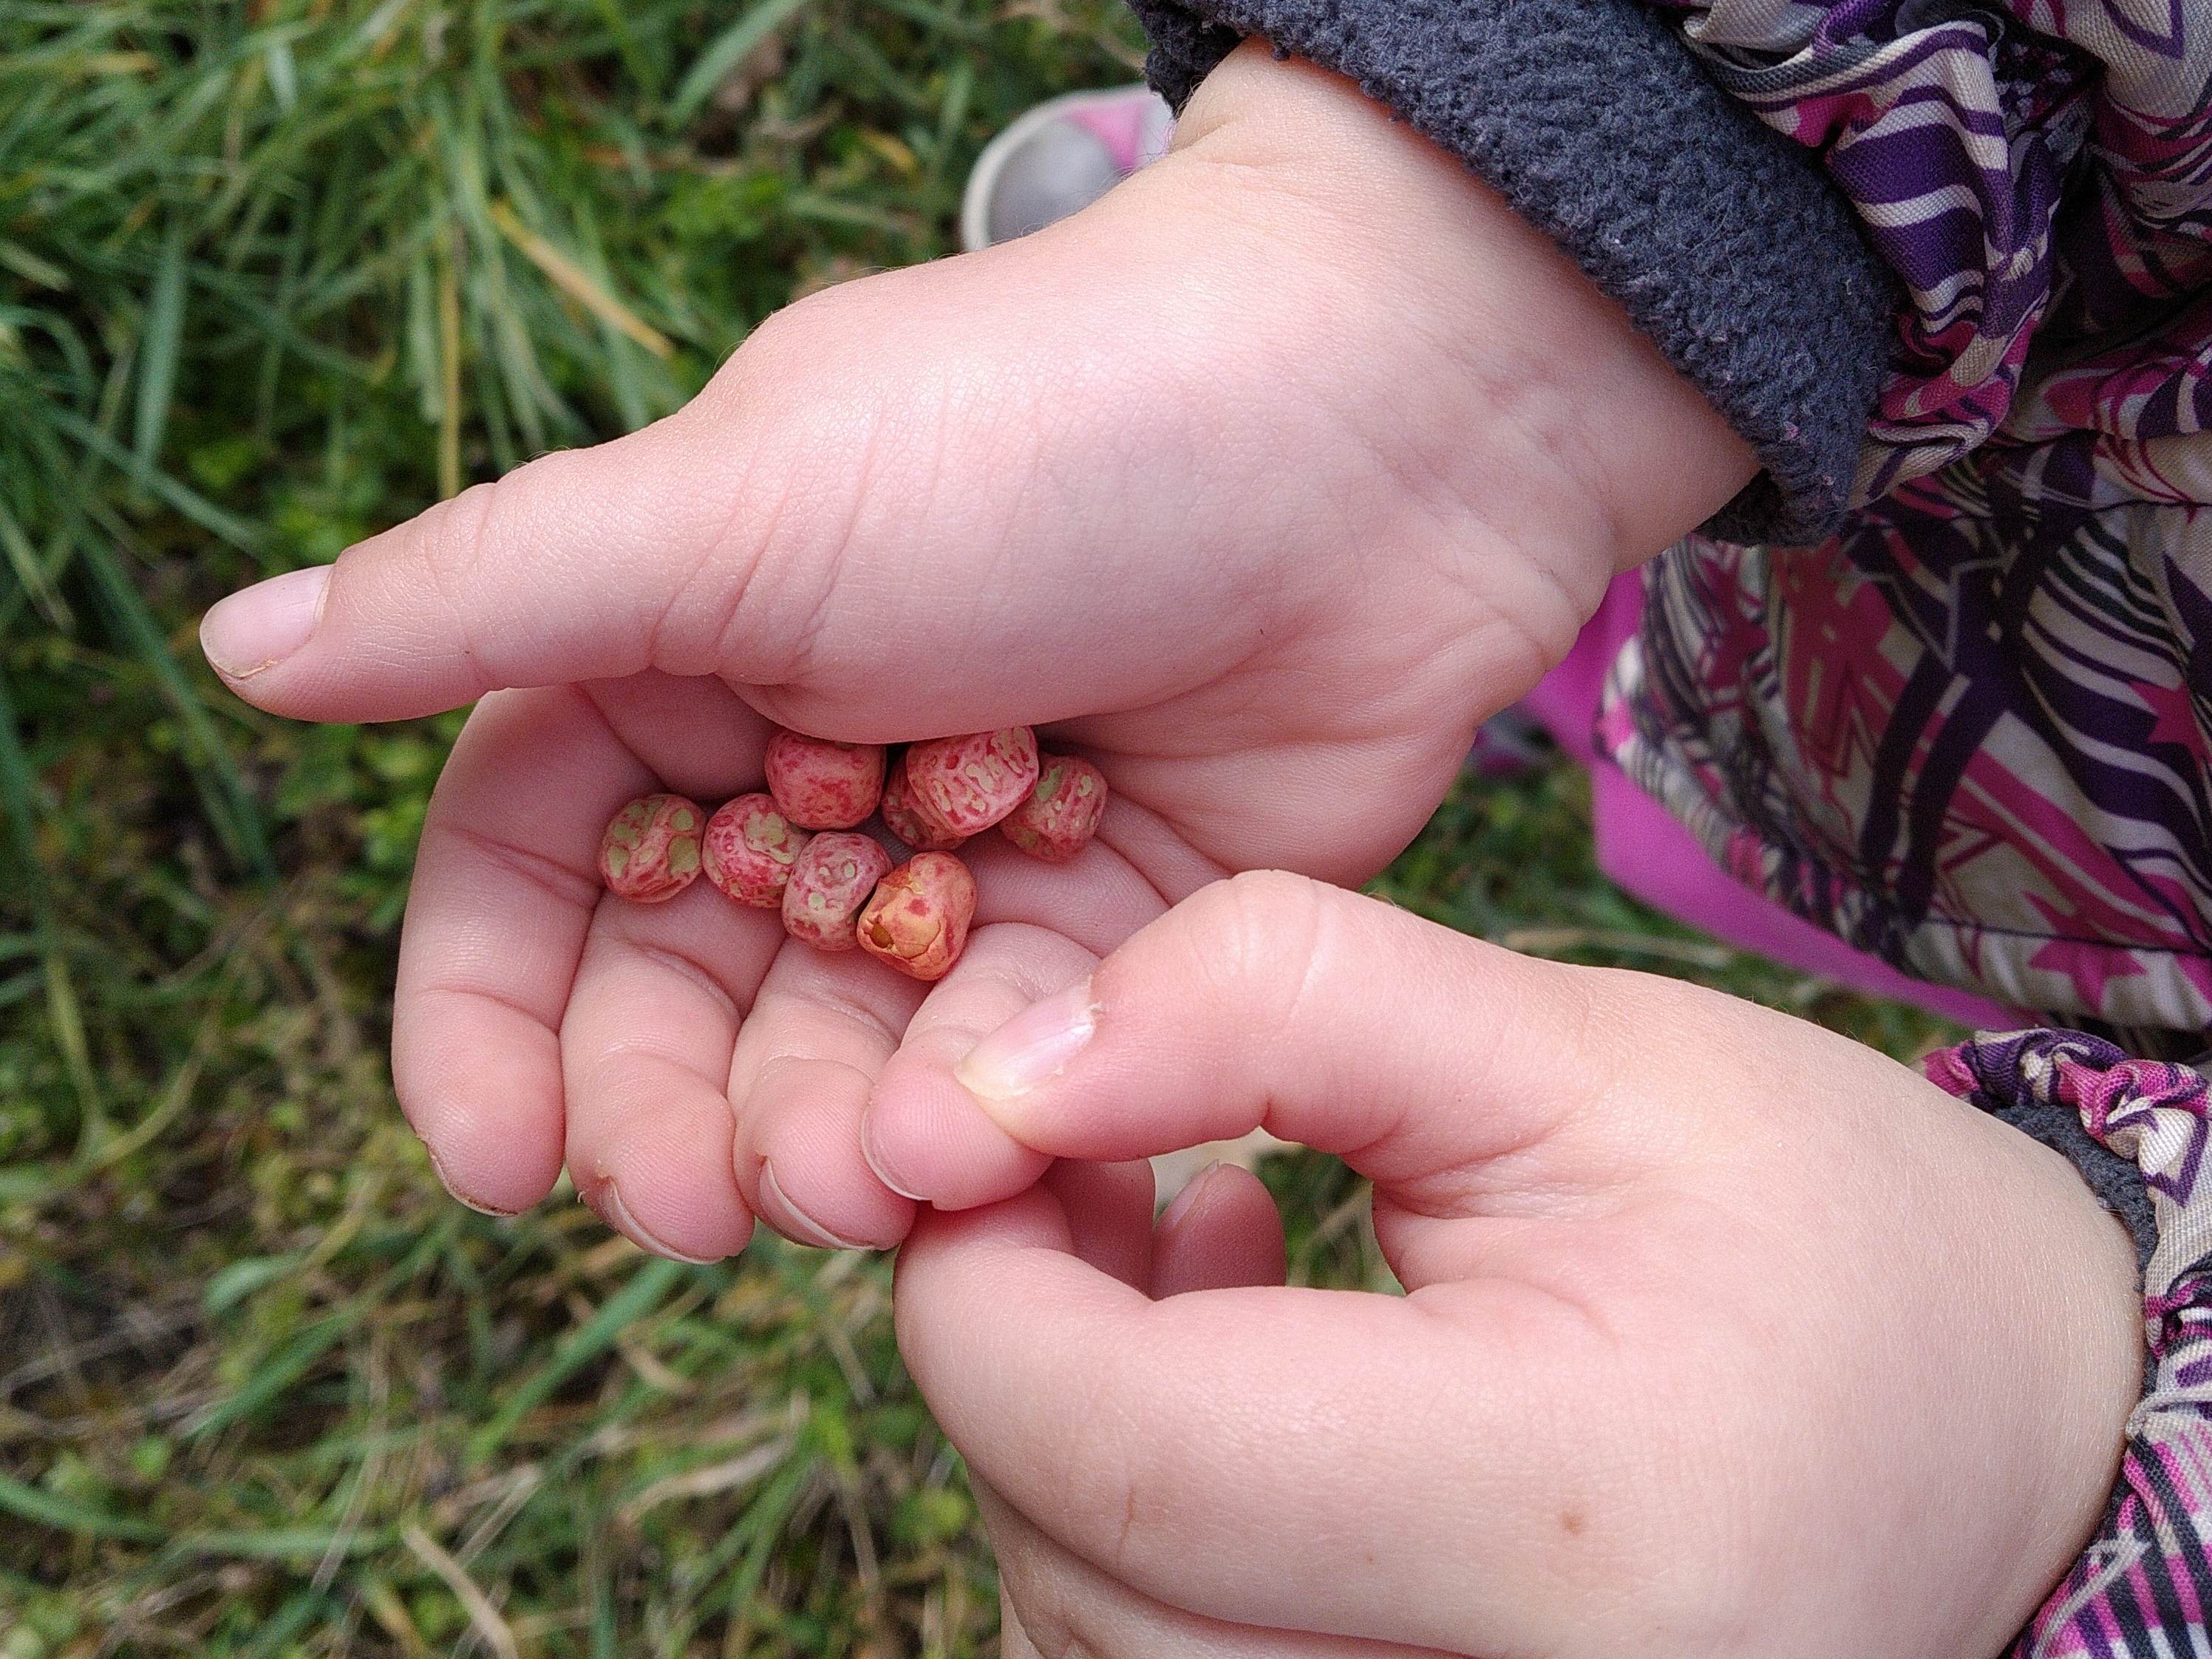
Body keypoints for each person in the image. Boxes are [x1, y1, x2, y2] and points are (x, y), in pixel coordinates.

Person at [194, 1, 2212, 1650]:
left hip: (2094, 830)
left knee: (1720, 724)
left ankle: (1492, 561)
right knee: (1659, 657)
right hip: (1997, 577)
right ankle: (1495, 484)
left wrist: (2070, 1432)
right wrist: (1458, 251)